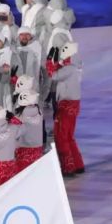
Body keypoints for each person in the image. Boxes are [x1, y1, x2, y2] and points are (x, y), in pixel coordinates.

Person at [47, 42, 84, 176]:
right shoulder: (72, 67)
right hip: (72, 104)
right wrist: (56, 62)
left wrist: (49, 62)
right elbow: (59, 71)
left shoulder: (70, 69)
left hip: (66, 105)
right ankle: (78, 164)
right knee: (69, 136)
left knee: (61, 137)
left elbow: (54, 75)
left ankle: (68, 167)